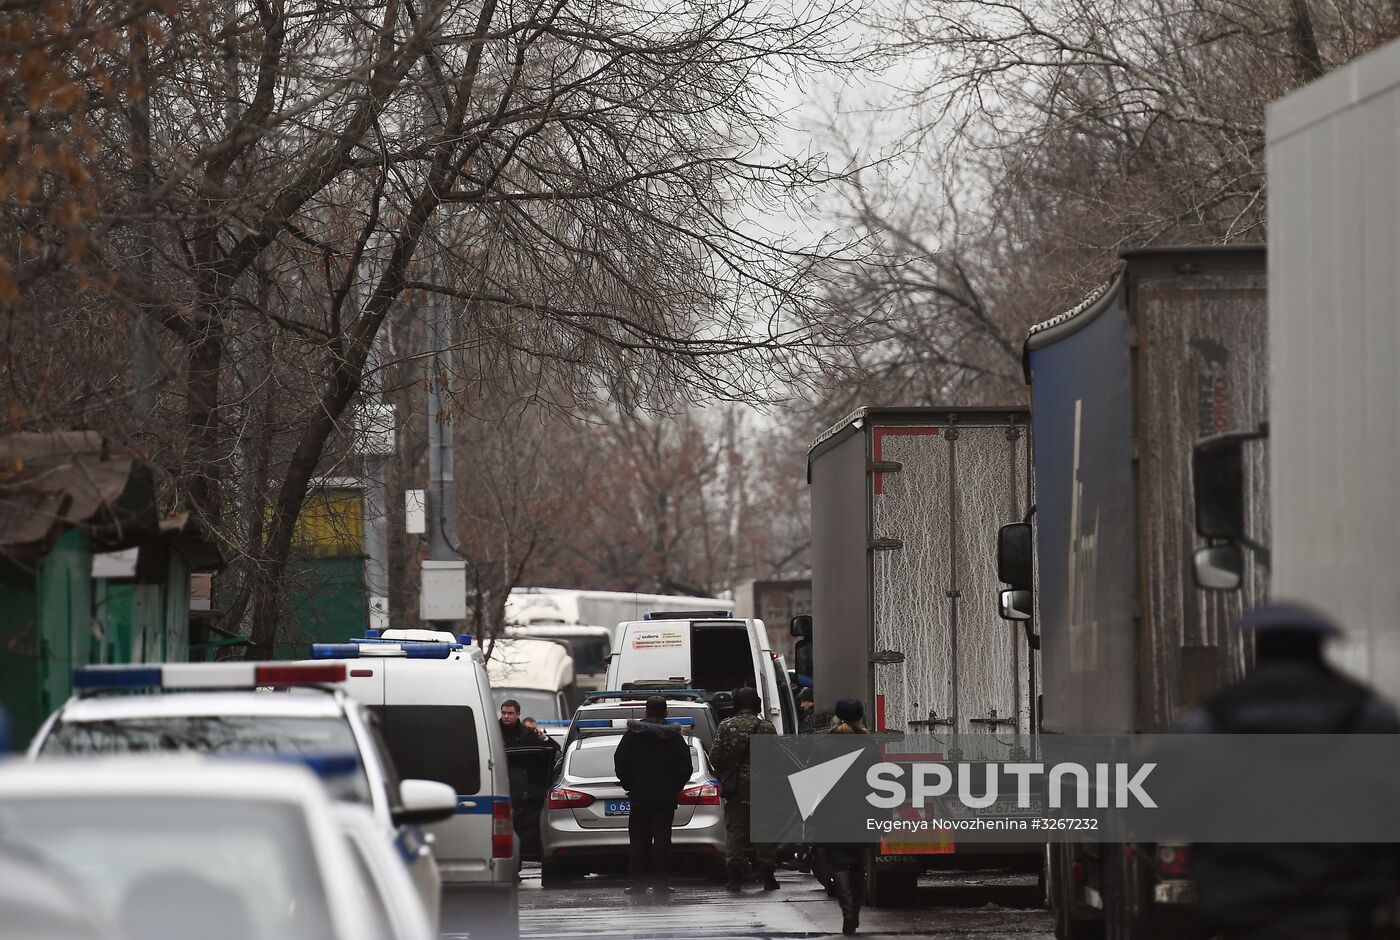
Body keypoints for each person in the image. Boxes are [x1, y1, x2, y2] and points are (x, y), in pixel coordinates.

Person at [1181, 603, 1400, 938]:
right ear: (1318, 652)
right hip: (1346, 914)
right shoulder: (1370, 716)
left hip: (1244, 914)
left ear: (1261, 650)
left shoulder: (1211, 720)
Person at [613, 695, 693, 897]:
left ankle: (638, 883)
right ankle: (661, 883)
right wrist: (674, 787)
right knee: (662, 842)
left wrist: (630, 785)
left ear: (646, 712)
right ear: (666, 712)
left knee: (639, 841)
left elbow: (620, 761)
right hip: (665, 800)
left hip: (639, 797)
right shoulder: (674, 737)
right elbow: (685, 767)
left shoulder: (632, 735)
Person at [710, 686, 779, 892]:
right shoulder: (766, 727)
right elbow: (776, 759)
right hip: (763, 786)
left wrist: (727, 774)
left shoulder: (726, 725)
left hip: (735, 787)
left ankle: (734, 877)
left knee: (735, 830)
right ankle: (768, 876)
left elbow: (715, 758)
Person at [820, 698, 870, 935]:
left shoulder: (824, 744)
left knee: (839, 862)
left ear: (836, 716)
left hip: (832, 813)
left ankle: (848, 911)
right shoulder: (869, 745)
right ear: (860, 717)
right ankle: (855, 911)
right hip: (862, 812)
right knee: (858, 862)